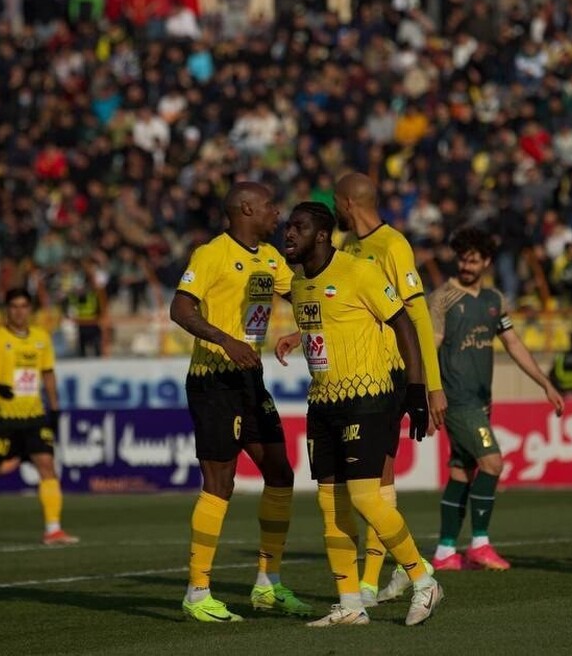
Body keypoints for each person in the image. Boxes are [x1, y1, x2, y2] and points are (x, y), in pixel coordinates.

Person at [282, 201, 443, 627]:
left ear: (321, 235)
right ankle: (350, 604)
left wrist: (415, 388)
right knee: (329, 505)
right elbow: (328, 326)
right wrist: (296, 337)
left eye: (297, 228)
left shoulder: (359, 272)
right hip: (322, 402)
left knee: (365, 497)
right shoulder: (300, 284)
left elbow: (404, 324)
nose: (288, 234)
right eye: (287, 227)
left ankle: (423, 579)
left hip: (367, 397)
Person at [169, 182, 311, 623]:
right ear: (246, 208)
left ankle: (267, 584)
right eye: (271, 205)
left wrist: (303, 330)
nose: (277, 212)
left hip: (251, 378)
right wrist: (225, 340)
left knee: (280, 472)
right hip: (214, 380)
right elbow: (180, 308)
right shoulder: (211, 254)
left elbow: (304, 294)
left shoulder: (271, 258)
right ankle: (197, 591)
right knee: (221, 482)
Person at [427, 228, 566, 572]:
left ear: (487, 261)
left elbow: (514, 344)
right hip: (457, 400)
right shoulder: (443, 298)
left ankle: (445, 552)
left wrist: (544, 383)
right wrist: (428, 396)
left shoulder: (494, 301)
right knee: (492, 463)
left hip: (481, 400)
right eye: (462, 258)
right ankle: (480, 545)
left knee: (462, 470)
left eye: (474, 259)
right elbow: (430, 348)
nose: (467, 264)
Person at [0, 288, 75, 547]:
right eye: (14, 306)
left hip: (34, 416)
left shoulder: (41, 338)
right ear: (7, 309)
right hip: (4, 417)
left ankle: (53, 529)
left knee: (46, 466)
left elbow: (48, 374)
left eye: (23, 306)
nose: (19, 311)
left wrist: (54, 408)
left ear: (30, 309)